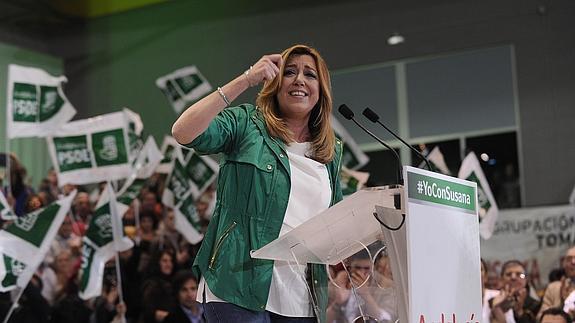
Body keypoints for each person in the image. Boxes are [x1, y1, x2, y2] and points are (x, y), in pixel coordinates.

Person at [172, 44, 343, 322]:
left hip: (303, 298)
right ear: (274, 82)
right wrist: (247, 78)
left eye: (310, 74)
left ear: (321, 89)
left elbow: (336, 221)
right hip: (236, 286)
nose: (299, 79)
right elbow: (183, 131)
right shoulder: (246, 124)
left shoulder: (332, 151)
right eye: (289, 72)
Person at [539, 246, 575, 319]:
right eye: (569, 259)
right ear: (564, 264)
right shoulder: (553, 288)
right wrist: (562, 304)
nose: (573, 262)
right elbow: (540, 317)